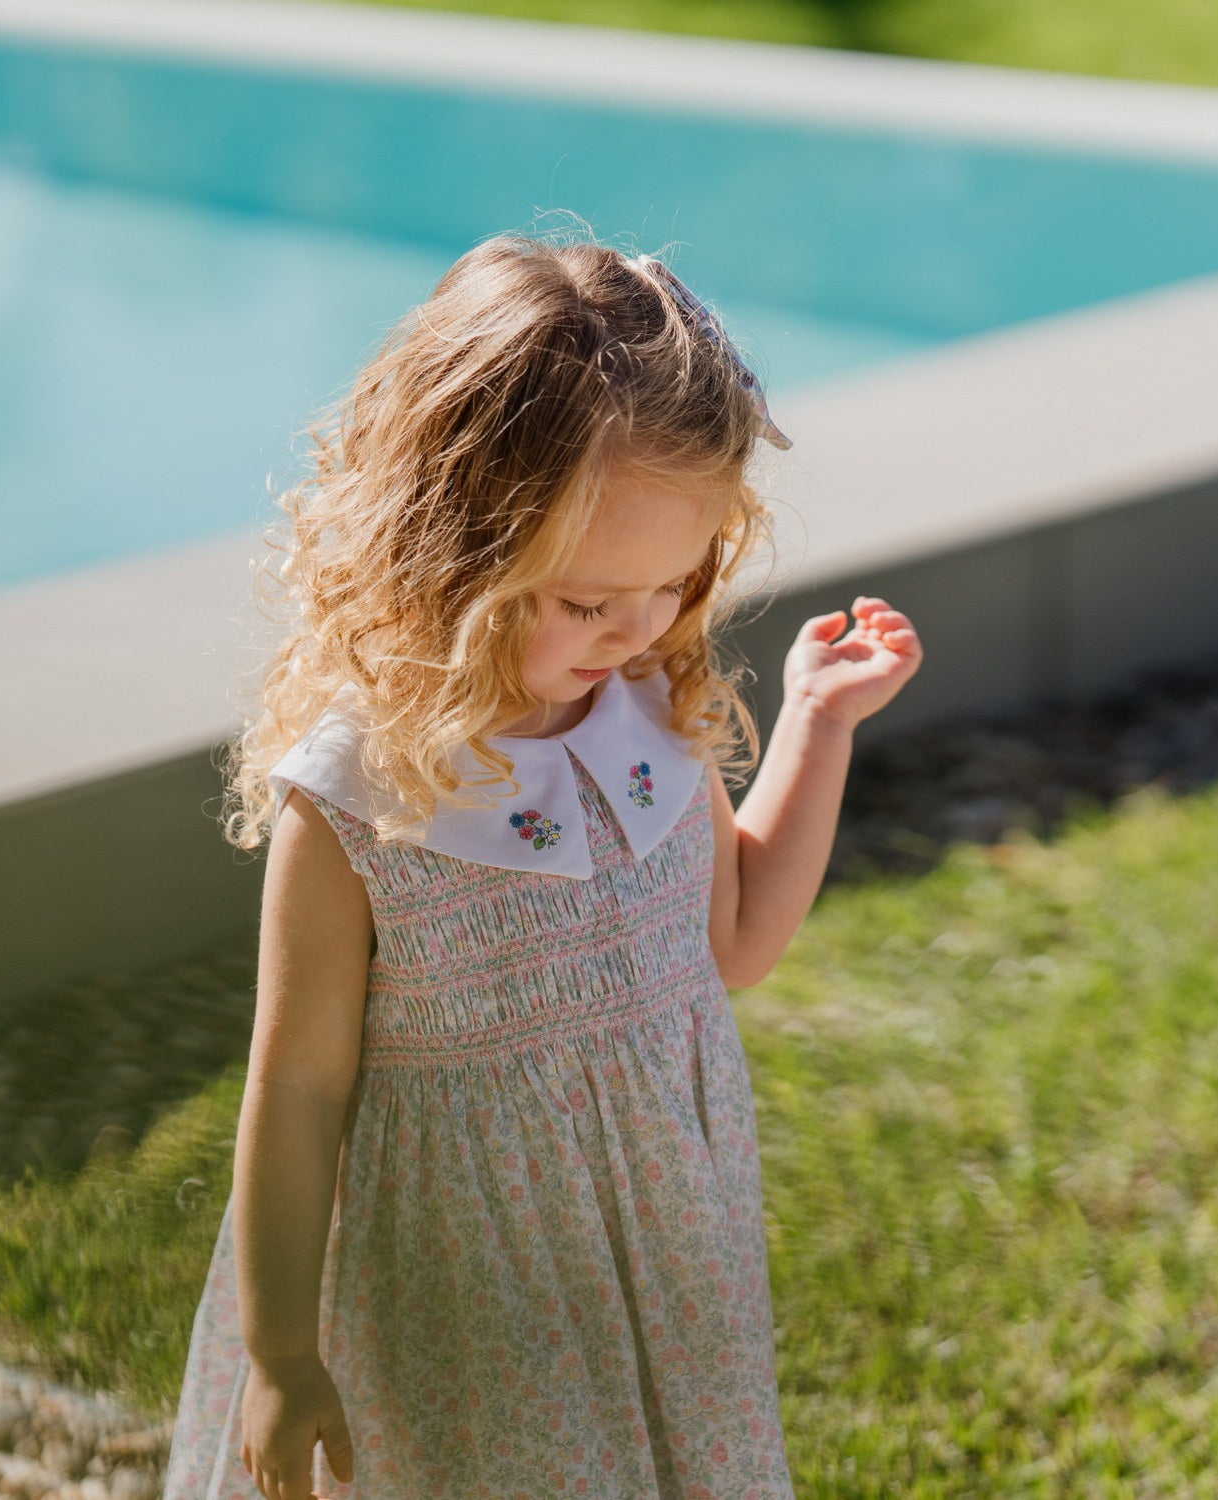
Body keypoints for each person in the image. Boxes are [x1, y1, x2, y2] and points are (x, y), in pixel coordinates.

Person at [160, 226, 922, 1500]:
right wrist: (283, 1351)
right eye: (585, 601)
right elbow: (293, 1092)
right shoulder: (362, 803)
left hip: (667, 1263)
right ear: (450, 552)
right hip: (461, 1297)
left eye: (674, 585)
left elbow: (732, 945)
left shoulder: (650, 710)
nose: (638, 628)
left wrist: (817, 723)